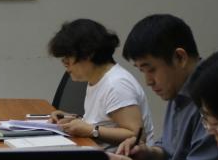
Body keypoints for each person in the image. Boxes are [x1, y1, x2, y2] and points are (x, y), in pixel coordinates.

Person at [107, 14, 218, 160]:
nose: (148, 81)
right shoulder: (178, 90)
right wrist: (148, 152)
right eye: (142, 71)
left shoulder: (211, 92)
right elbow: (170, 149)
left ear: (179, 58)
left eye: (151, 69)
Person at [47, 18, 153, 148]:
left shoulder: (116, 84)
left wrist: (91, 130)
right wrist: (74, 120)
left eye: (68, 59)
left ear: (88, 53)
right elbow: (106, 122)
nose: (65, 65)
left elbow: (137, 136)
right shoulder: (97, 79)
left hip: (121, 158)